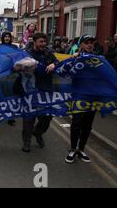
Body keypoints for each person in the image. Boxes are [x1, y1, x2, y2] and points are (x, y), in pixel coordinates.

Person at [62, 35, 101, 163]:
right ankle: (73, 149)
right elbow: (62, 70)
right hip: (78, 95)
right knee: (76, 123)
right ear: (80, 45)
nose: (90, 45)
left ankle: (81, 149)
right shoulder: (74, 58)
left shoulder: (99, 59)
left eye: (91, 43)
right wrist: (53, 65)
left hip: (93, 96)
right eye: (86, 42)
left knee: (87, 125)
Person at [21, 32, 58, 153]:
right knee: (29, 117)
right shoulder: (27, 54)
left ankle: (37, 132)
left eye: (45, 42)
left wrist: (54, 64)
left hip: (46, 89)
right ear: (34, 42)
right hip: (30, 89)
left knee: (47, 116)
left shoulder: (49, 53)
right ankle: (26, 142)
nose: (44, 44)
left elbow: (58, 63)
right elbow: (17, 67)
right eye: (41, 42)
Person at [0, 31, 18, 126]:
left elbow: (18, 58)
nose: (7, 38)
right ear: (2, 38)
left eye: (8, 36)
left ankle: (11, 116)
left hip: (12, 73)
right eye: (5, 36)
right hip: (1, 73)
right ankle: (0, 112)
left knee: (11, 95)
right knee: (1, 93)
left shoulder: (15, 47)